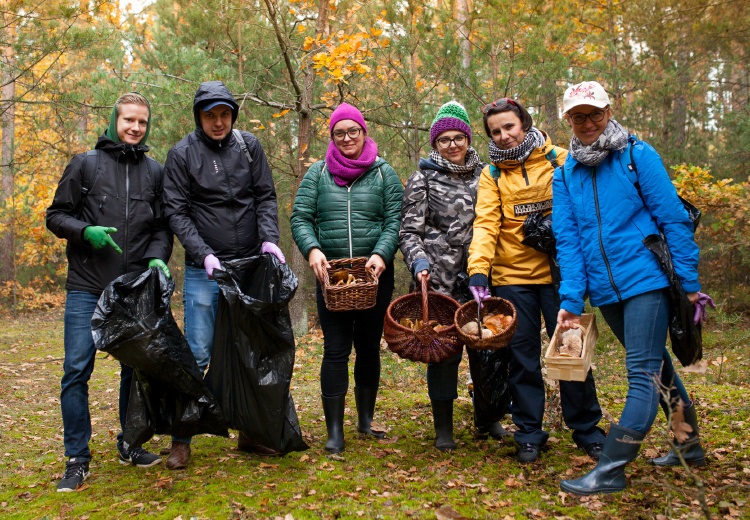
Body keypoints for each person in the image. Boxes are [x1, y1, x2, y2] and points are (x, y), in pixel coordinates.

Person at [553, 81, 705, 494]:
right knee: (657, 367)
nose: (588, 123)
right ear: (567, 118)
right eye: (578, 116)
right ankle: (688, 445)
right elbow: (568, 243)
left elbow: (673, 219)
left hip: (646, 280)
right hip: (606, 290)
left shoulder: (637, 155)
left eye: (595, 114)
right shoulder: (565, 174)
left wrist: (689, 283)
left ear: (609, 110)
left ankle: (611, 468)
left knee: (641, 374)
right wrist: (571, 298)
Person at [467, 97, 606, 464]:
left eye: (509, 126)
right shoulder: (492, 174)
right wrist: (478, 270)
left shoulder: (558, 158)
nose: (504, 135)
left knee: (571, 352)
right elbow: (485, 224)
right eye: (495, 131)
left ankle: (587, 430)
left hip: (563, 274)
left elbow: (585, 206)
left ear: (525, 124)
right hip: (512, 276)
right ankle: (529, 432)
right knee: (522, 358)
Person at [46, 92, 173, 492]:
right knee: (76, 370)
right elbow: (55, 215)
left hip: (131, 289)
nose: (135, 128)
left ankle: (130, 443)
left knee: (134, 371)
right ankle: (77, 458)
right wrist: (85, 232)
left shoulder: (155, 171)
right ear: (114, 120)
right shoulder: (85, 164)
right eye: (129, 120)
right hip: (86, 285)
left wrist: (156, 257)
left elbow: (162, 226)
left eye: (142, 122)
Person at [162, 80, 285, 469]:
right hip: (207, 271)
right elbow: (176, 212)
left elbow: (265, 195)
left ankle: (251, 432)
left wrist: (269, 239)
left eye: (225, 114)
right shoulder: (182, 154)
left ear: (233, 115)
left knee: (249, 350)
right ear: (199, 116)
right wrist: (203, 254)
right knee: (197, 352)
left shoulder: (249, 147)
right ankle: (181, 439)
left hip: (249, 266)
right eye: (210, 115)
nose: (218, 122)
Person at [291, 103, 403, 454]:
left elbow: (395, 218)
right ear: (332, 137)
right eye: (339, 133)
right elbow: (300, 218)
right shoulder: (318, 174)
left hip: (374, 275)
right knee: (336, 349)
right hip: (332, 277)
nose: (347, 138)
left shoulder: (384, 173)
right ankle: (334, 430)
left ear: (364, 132)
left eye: (353, 131)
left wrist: (381, 253)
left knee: (369, 346)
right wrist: (312, 250)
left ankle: (366, 420)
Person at [399, 101, 511, 451]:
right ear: (435, 143)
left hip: (482, 279)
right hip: (440, 282)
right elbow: (409, 231)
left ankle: (489, 418)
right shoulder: (423, 178)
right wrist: (418, 262)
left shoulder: (488, 174)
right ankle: (443, 428)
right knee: (444, 355)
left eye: (457, 137)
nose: (451, 144)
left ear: (467, 138)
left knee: (488, 350)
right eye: (443, 139)